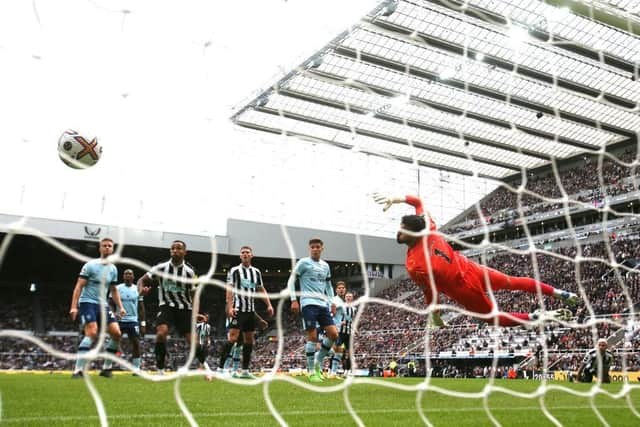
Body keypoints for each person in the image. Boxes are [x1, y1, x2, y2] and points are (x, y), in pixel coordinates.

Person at [373, 194, 577, 327]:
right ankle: (560, 293)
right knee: (512, 280)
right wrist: (397, 199)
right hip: (471, 268)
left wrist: (435, 316)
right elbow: (418, 202)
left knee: (493, 318)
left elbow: (430, 292)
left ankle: (539, 316)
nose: (398, 232)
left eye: (402, 229)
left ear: (414, 233)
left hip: (463, 289)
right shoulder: (429, 228)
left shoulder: (415, 265)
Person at [138, 240, 199, 374]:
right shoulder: (161, 268)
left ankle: (204, 367)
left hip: (185, 308)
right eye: (173, 248)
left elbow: (194, 294)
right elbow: (142, 279)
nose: (175, 251)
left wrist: (195, 312)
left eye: (178, 248)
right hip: (166, 306)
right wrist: (141, 290)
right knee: (161, 334)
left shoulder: (190, 272)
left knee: (194, 341)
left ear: (185, 252)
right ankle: (160, 368)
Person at [69, 237, 125, 378]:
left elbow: (113, 290)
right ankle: (78, 370)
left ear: (112, 249)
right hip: (87, 302)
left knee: (117, 334)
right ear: (100, 248)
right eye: (104, 245)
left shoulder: (113, 269)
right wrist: (73, 307)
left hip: (103, 305)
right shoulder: (90, 265)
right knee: (92, 332)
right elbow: (79, 286)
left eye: (109, 246)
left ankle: (106, 369)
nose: (107, 248)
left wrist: (121, 307)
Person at [218, 246, 274, 379]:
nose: (245, 254)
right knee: (232, 338)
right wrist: (230, 307)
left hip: (250, 311)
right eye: (243, 253)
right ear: (240, 256)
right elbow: (229, 289)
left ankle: (244, 370)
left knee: (249, 340)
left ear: (251, 256)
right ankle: (220, 369)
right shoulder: (234, 271)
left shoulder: (256, 272)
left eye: (247, 253)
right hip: (238, 309)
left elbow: (261, 289)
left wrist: (269, 304)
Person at [287, 238, 337, 383]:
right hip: (308, 303)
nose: (315, 249)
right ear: (310, 248)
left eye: (318, 247)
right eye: (313, 247)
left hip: (322, 304)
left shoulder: (325, 266)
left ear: (322, 248)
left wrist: (332, 301)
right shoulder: (303, 263)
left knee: (333, 334)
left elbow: (328, 286)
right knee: (313, 336)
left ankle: (317, 360)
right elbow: (291, 280)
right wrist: (293, 299)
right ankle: (310, 371)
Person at [116, 269, 145, 374]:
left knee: (136, 343)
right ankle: (108, 366)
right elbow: (110, 303)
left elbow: (141, 307)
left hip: (133, 321)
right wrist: (113, 314)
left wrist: (143, 323)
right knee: (113, 343)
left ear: (133, 277)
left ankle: (136, 368)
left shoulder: (137, 289)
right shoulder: (117, 288)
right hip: (119, 320)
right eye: (126, 274)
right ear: (123, 276)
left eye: (130, 274)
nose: (128, 275)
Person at [340, 291, 357, 375]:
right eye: (347, 296)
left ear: (352, 298)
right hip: (340, 332)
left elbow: (352, 321)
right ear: (345, 298)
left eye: (350, 296)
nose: (348, 297)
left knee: (349, 352)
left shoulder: (354, 309)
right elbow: (335, 317)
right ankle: (331, 369)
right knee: (337, 350)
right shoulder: (341, 306)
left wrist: (355, 329)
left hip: (349, 332)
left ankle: (348, 370)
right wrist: (340, 322)